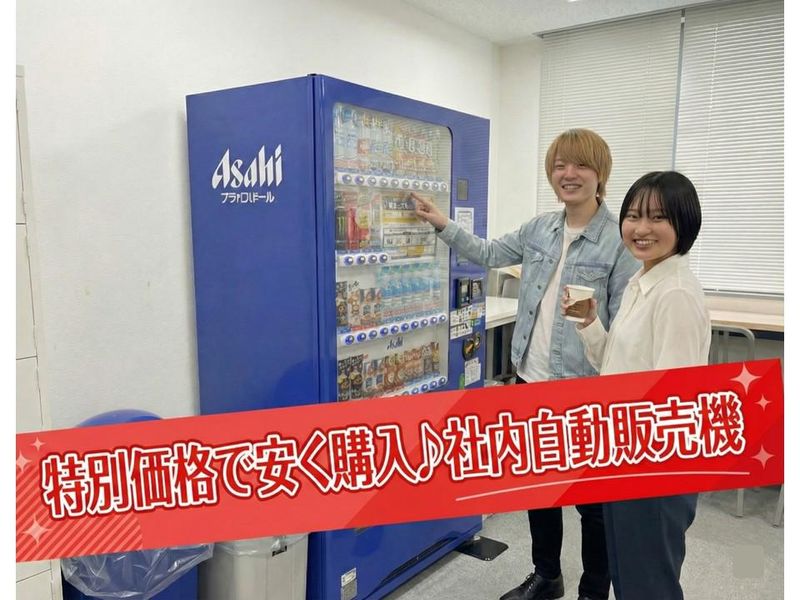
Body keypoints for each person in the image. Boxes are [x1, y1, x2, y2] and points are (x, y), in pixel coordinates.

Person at [413, 128, 639, 600]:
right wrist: (442, 223)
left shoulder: (619, 242)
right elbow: (490, 254)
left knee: (593, 505)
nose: (568, 174)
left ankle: (594, 591)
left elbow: (623, 329)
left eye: (580, 165)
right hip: (530, 380)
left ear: (600, 174)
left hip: (585, 390)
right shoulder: (540, 229)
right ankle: (547, 577)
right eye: (559, 165)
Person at [566, 170, 710, 600]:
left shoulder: (675, 294)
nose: (641, 228)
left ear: (684, 224)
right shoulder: (643, 280)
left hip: (653, 467)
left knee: (648, 585)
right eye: (632, 216)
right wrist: (589, 322)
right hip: (626, 452)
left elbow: (673, 401)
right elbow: (616, 366)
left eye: (657, 218)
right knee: (629, 576)